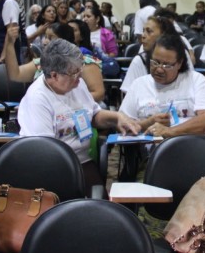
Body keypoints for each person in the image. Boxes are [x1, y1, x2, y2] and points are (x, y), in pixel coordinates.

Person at [17, 39, 140, 188]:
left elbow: (94, 115)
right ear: (54, 75)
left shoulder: (77, 84)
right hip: (53, 169)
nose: (80, 76)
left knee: (102, 206)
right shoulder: (38, 98)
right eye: (74, 72)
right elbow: (45, 151)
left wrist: (118, 117)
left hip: (82, 160)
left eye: (80, 69)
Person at [120, 33, 205, 139]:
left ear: (179, 63)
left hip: (196, 147)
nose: (159, 69)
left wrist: (170, 131)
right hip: (152, 151)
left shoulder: (196, 80)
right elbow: (123, 125)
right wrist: (148, 123)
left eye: (167, 65)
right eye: (155, 62)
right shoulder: (138, 85)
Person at [4, 23, 105, 103]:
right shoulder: (41, 62)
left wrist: (66, 102)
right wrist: (9, 43)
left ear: (64, 41)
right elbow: (15, 74)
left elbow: (98, 93)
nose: (45, 41)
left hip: (77, 113)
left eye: (50, 37)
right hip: (44, 109)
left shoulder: (84, 63)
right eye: (45, 36)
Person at [120, 15, 183, 93]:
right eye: (143, 31)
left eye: (149, 31)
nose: (143, 35)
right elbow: (129, 97)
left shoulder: (181, 55)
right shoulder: (139, 60)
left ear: (163, 34)